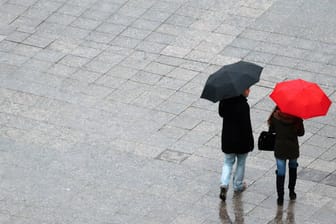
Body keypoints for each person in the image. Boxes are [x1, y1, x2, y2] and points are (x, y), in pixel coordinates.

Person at [219, 88, 254, 201]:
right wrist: (250, 142)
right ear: (242, 91)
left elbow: (221, 113)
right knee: (241, 162)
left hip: (228, 139)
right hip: (242, 141)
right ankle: (238, 185)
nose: (249, 91)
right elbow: (247, 126)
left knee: (228, 162)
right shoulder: (244, 106)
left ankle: (224, 184)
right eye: (247, 89)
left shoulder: (225, 102)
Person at [268, 106, 304, 206]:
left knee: (280, 172)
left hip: (280, 149)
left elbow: (271, 131)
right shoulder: (296, 118)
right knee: (293, 168)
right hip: (292, 149)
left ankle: (280, 197)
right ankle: (291, 192)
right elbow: (301, 133)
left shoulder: (275, 117)